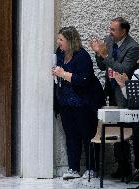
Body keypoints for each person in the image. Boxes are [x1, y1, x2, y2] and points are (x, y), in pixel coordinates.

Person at [52, 26, 105, 180]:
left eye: (61, 39)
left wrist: (63, 74)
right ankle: (73, 168)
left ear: (70, 41)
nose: (58, 42)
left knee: (88, 135)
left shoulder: (82, 56)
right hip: (66, 102)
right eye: (58, 39)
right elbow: (57, 71)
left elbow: (84, 80)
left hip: (84, 103)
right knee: (71, 136)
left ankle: (91, 168)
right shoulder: (59, 53)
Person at [90, 17, 139, 178]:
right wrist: (99, 54)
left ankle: (132, 168)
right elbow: (103, 66)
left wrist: (104, 56)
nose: (109, 32)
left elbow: (124, 69)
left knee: (127, 129)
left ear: (123, 31)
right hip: (110, 90)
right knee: (116, 128)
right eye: (110, 28)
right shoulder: (108, 41)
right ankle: (121, 166)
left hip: (125, 94)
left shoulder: (133, 47)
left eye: (113, 29)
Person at [114, 61, 139, 182]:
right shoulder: (137, 73)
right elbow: (130, 98)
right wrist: (123, 86)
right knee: (137, 138)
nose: (138, 61)